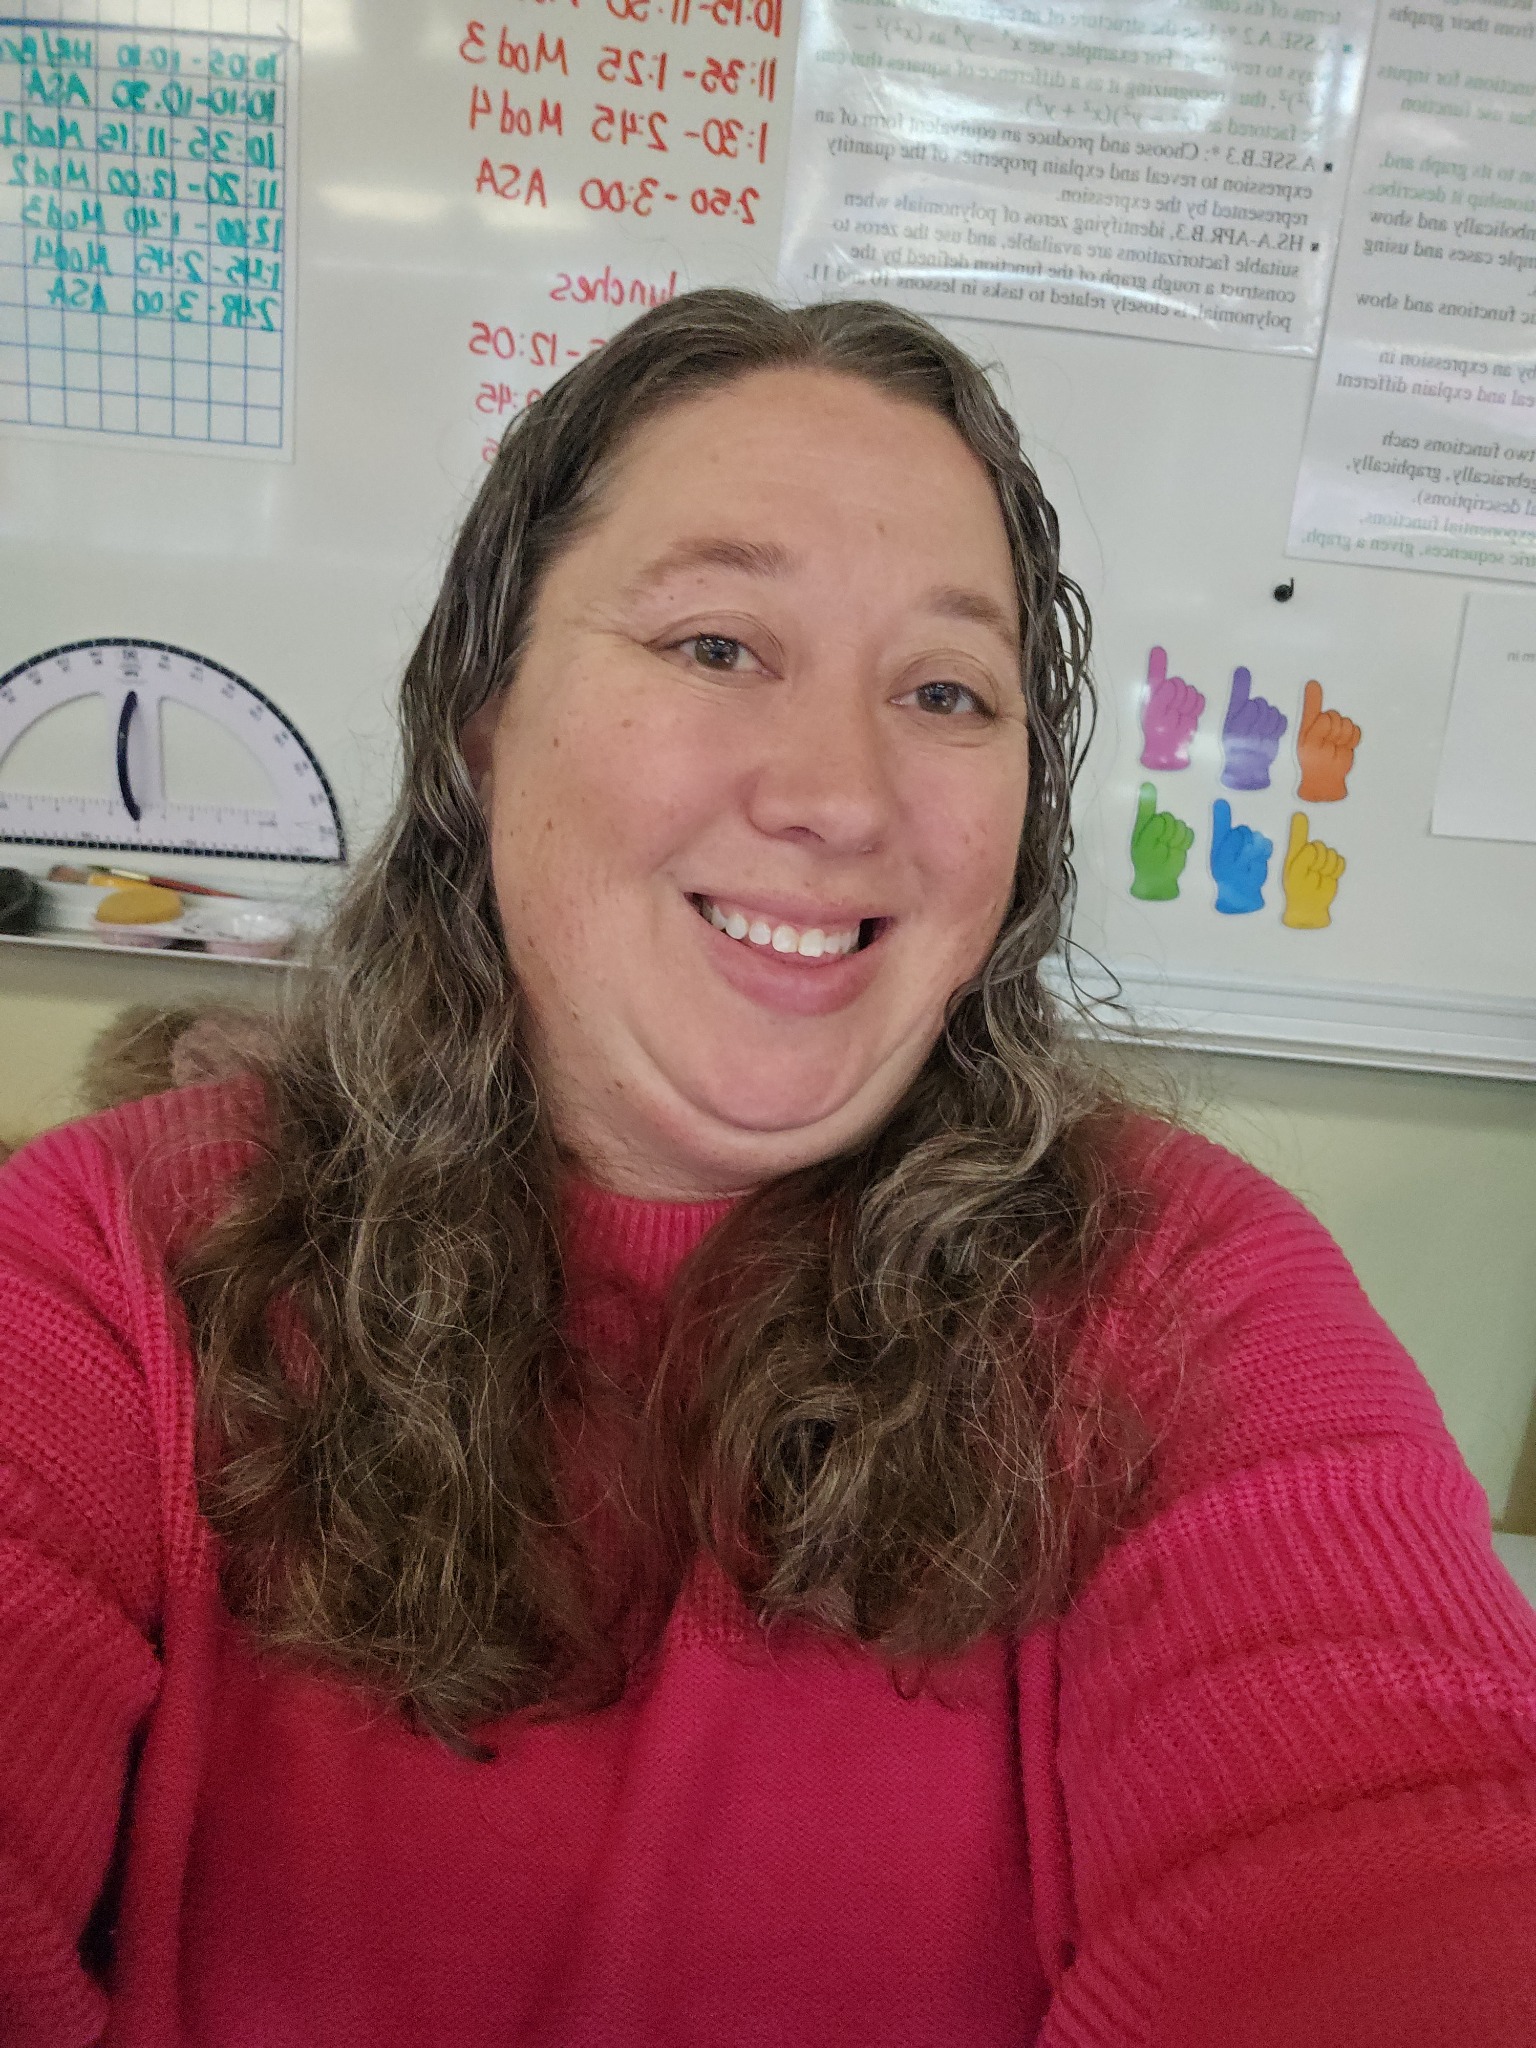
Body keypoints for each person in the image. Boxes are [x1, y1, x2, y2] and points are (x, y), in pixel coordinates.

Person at [1, 290, 1533, 2048]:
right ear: (486, 723)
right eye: (718, 645)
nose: (841, 796)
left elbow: (1400, 1872)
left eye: (946, 690)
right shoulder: (111, 1259)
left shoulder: (1186, 1299)